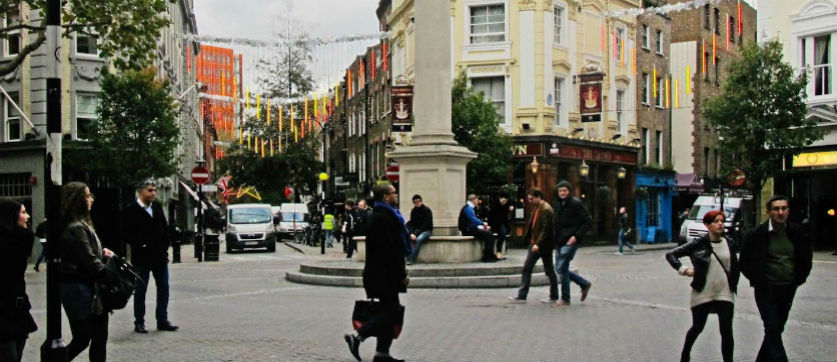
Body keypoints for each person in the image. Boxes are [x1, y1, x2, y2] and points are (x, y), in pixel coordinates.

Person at [740, 195, 813, 362]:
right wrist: (759, 281)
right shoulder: (755, 235)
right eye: (776, 209)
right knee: (772, 326)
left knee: (777, 328)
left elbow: (806, 258)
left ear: (788, 211)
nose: (780, 212)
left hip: (787, 288)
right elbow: (745, 263)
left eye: (784, 208)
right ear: (768, 212)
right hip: (766, 289)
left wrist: (797, 280)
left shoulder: (797, 232)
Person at [345, 184, 409, 362]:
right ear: (385, 197)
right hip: (382, 274)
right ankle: (357, 336)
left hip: (381, 273)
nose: (397, 195)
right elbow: (389, 251)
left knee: (389, 310)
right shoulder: (383, 218)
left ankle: (382, 353)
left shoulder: (384, 215)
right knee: (391, 312)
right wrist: (401, 274)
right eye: (394, 193)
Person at [666, 210, 740, 362]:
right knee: (697, 327)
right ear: (707, 225)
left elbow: (735, 267)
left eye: (722, 221)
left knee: (726, 331)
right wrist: (684, 270)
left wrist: (734, 283)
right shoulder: (698, 242)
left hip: (724, 292)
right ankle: (685, 354)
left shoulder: (730, 242)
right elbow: (671, 254)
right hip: (703, 292)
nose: (720, 224)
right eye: (715, 221)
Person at [59, 182, 115, 361]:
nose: (91, 199)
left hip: (90, 289)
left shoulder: (81, 225)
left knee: (98, 337)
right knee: (83, 337)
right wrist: (113, 276)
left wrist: (104, 254)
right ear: (77, 200)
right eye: (87, 196)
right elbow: (90, 262)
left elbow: (90, 255)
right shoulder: (76, 228)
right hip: (81, 291)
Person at [122, 179, 178, 333]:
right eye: (150, 190)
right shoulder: (131, 210)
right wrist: (141, 245)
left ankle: (162, 319)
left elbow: (165, 229)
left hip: (159, 257)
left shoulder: (157, 207)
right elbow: (126, 233)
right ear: (141, 192)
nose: (154, 193)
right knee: (140, 289)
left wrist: (165, 246)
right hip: (142, 258)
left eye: (154, 190)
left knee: (164, 287)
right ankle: (139, 322)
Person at [0, 200, 38, 362]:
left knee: (17, 349)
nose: (28, 216)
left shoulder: (21, 239)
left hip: (17, 304)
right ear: (12, 216)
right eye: (23, 212)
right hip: (4, 308)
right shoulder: (11, 243)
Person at [509, 189, 558, 303]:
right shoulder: (536, 208)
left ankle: (553, 296)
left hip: (541, 245)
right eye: (529, 198)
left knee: (548, 270)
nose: (529, 201)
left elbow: (546, 229)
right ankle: (522, 295)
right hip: (534, 243)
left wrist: (538, 244)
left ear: (538, 197)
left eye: (531, 198)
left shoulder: (546, 210)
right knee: (529, 268)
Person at [551, 180, 592, 306]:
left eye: (565, 190)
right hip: (559, 240)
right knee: (561, 268)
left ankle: (566, 299)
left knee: (561, 268)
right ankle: (584, 284)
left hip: (570, 241)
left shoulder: (576, 203)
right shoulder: (557, 204)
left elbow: (587, 221)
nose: (562, 193)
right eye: (560, 190)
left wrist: (576, 236)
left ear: (569, 191)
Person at [458, 194, 498, 262]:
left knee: (489, 234)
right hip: (467, 230)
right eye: (477, 200)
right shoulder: (468, 208)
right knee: (488, 235)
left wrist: (482, 227)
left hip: (470, 228)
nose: (478, 202)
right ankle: (487, 256)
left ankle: (490, 255)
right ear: (473, 200)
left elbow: (473, 221)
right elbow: (473, 220)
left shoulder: (469, 208)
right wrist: (483, 224)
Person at [406, 194, 433, 265]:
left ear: (421, 201)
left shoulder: (427, 210)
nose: (417, 203)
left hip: (426, 231)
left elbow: (427, 224)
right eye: (415, 202)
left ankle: (411, 258)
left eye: (418, 201)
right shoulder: (413, 211)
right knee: (410, 239)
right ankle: (408, 257)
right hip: (416, 231)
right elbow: (412, 223)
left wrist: (416, 234)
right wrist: (411, 233)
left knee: (419, 239)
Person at [488, 196, 513, 260]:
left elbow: (505, 217)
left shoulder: (505, 206)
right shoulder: (495, 205)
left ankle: (500, 251)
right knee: (502, 233)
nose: (504, 202)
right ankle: (498, 251)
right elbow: (494, 217)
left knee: (503, 233)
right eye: (503, 200)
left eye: (505, 201)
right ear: (500, 199)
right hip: (495, 224)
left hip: (502, 224)